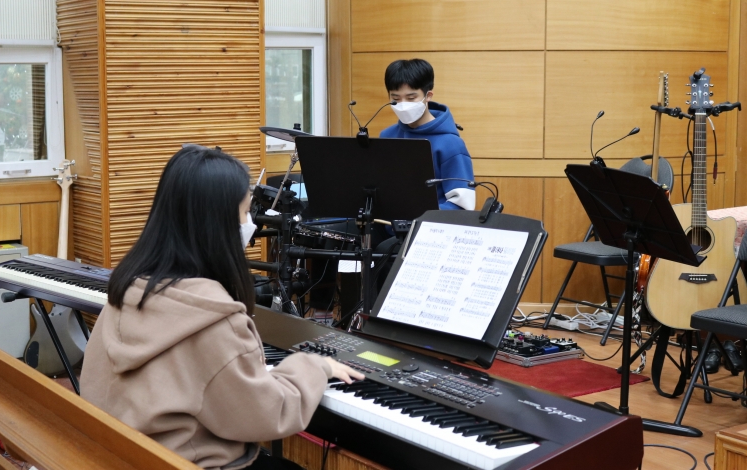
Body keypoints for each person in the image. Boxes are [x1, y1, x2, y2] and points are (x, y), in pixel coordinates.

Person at [80, 145, 363, 470]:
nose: (250, 224)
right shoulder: (210, 315)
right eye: (245, 213)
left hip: (122, 455)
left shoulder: (128, 289)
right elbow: (267, 415)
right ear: (216, 225)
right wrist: (313, 366)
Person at [379, 59, 475, 211]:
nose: (403, 105)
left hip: (431, 224)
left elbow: (461, 205)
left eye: (411, 98)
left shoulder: (451, 144)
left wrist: (417, 215)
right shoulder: (386, 136)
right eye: (395, 99)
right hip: (387, 222)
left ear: (428, 95)